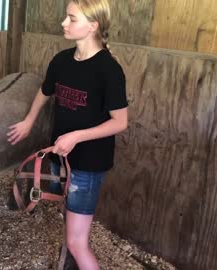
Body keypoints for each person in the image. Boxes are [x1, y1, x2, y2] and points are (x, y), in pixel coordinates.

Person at [7, 0, 128, 269]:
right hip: (62, 158)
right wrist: (28, 121)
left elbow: (120, 122)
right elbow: (45, 90)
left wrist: (75, 136)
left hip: (87, 164)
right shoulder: (62, 60)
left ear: (92, 26)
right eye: (66, 17)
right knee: (69, 220)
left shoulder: (108, 70)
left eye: (72, 18)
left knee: (76, 242)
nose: (64, 23)